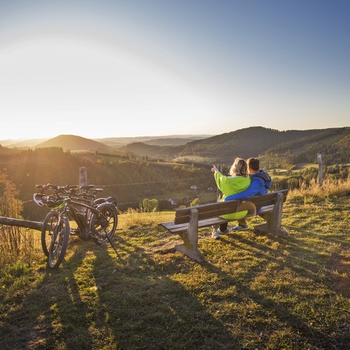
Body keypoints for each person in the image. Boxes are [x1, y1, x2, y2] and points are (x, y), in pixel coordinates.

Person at [224, 157, 272, 231]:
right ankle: (242, 225)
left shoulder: (257, 181)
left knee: (237, 204)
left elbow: (246, 194)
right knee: (242, 202)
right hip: (260, 203)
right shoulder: (263, 175)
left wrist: (229, 197)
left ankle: (226, 228)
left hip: (255, 207)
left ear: (248, 168)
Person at [211, 157, 250, 239]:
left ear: (235, 168)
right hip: (241, 212)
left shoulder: (227, 180)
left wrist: (216, 171)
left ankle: (217, 231)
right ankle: (227, 228)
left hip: (228, 213)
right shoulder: (248, 180)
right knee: (226, 205)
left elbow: (220, 179)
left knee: (220, 205)